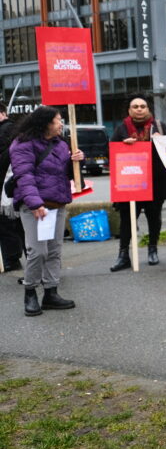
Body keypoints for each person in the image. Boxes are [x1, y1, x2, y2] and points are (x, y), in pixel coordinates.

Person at [9, 107, 85, 316]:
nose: (61, 124)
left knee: (54, 251)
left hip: (57, 204)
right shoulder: (22, 144)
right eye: (58, 120)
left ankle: (51, 293)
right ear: (45, 123)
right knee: (37, 251)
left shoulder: (61, 145)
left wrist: (77, 160)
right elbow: (24, 176)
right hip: (35, 207)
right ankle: (30, 291)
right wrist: (35, 204)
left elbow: (65, 173)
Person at [109, 94, 166, 271]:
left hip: (156, 181)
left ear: (148, 109)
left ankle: (152, 249)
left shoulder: (159, 127)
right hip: (130, 181)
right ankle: (123, 254)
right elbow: (112, 151)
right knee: (127, 218)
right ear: (129, 110)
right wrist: (124, 145)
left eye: (143, 106)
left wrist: (161, 141)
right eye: (135, 106)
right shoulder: (122, 128)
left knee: (154, 217)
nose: (139, 109)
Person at [0, 106, 26, 272]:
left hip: (8, 182)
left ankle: (12, 258)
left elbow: (6, 156)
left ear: (3, 113)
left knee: (9, 223)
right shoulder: (10, 129)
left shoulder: (6, 129)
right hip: (9, 182)